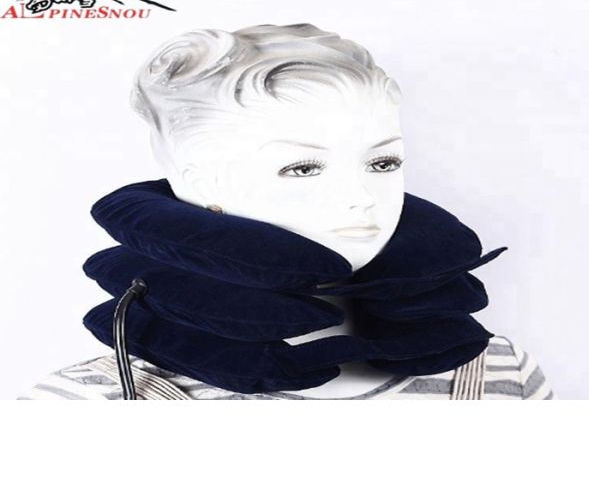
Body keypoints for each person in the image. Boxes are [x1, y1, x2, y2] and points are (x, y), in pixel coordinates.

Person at [20, 23, 554, 400]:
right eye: (302, 168)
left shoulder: (501, 371)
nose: (361, 196)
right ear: (200, 186)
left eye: (383, 162)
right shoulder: (86, 403)